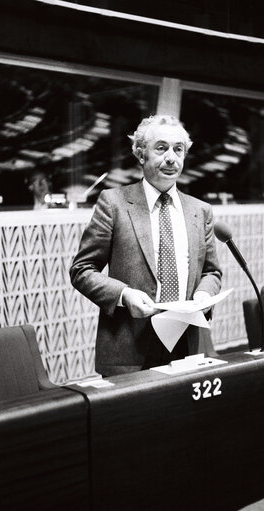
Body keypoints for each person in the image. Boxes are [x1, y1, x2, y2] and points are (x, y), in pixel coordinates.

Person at [70, 114, 222, 376]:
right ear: (141, 154)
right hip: (129, 348)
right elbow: (82, 269)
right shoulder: (113, 203)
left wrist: (204, 295)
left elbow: (211, 272)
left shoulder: (201, 210)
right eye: (161, 148)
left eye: (178, 149)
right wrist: (124, 295)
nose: (171, 158)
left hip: (187, 345)